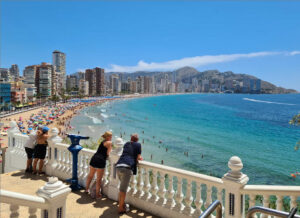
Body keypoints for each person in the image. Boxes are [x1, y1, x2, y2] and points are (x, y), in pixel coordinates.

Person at [116, 133, 142, 214]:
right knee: (123, 190)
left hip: (118, 165)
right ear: (137, 140)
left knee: (121, 188)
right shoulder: (138, 145)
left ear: (131, 138)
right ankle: (120, 208)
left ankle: (122, 204)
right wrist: (139, 158)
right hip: (127, 167)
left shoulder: (127, 143)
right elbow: (138, 157)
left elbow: (127, 152)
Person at [85, 131, 113, 199]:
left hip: (94, 158)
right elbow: (108, 153)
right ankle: (97, 195)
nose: (112, 137)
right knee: (99, 179)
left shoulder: (102, 141)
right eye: (111, 136)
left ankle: (86, 189)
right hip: (100, 160)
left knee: (90, 176)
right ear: (109, 137)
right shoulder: (109, 142)